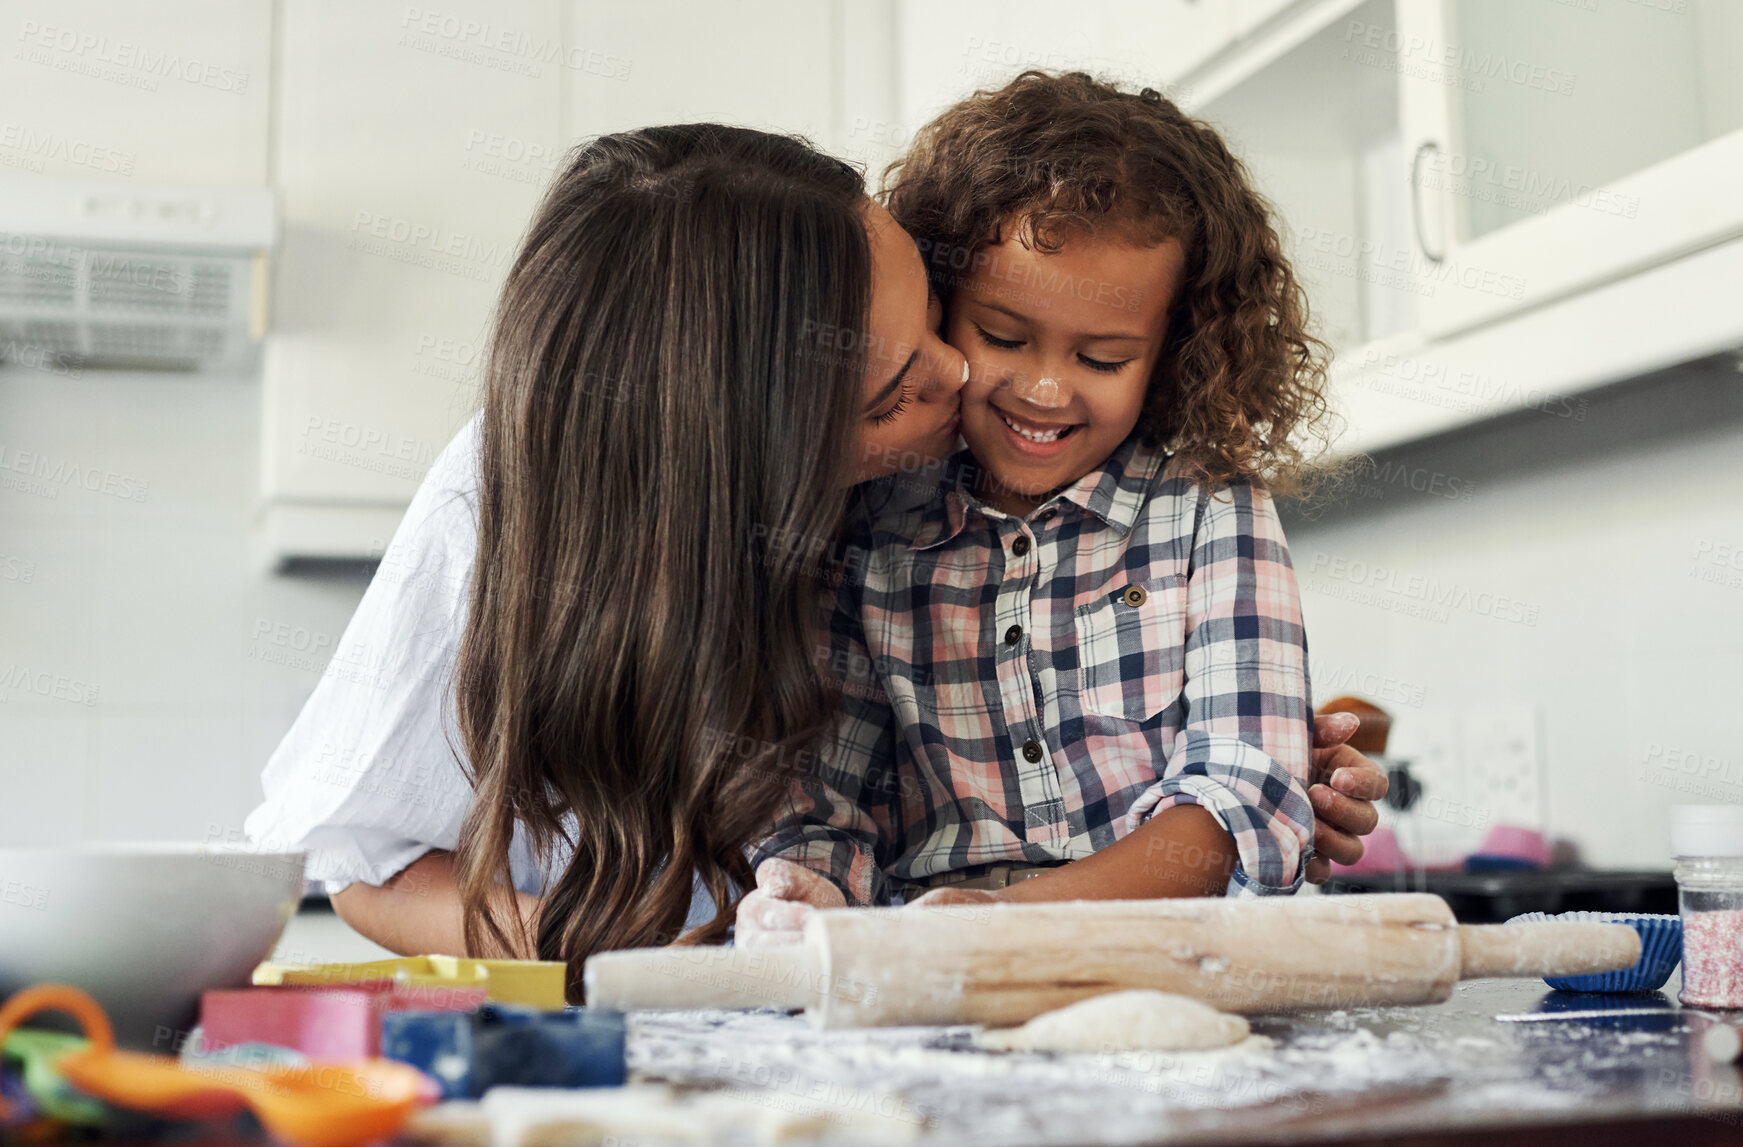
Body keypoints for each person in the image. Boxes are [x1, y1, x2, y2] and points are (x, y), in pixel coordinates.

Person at [246, 121, 1385, 992]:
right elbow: (366, 864)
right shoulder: (493, 512)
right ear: (756, 461)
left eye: (942, 318)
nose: (963, 385)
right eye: (898, 391)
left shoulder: (979, 491)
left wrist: (1252, 797)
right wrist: (664, 950)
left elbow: (1193, 777)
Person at [739, 73, 1382, 941]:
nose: (1044, 390)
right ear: (937, 306)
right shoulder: (869, 521)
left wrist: (1006, 918)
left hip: (1161, 951)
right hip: (926, 967)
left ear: (1177, 353)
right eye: (1001, 337)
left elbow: (1242, 796)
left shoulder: (1208, 509)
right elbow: (831, 805)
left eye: (1104, 359)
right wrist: (803, 886)